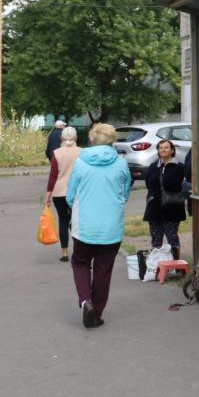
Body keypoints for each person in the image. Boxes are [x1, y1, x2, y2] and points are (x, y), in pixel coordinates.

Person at [65, 123, 132, 329]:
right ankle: (97, 312)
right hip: (111, 227)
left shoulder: (80, 163)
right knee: (103, 270)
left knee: (80, 263)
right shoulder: (121, 163)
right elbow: (126, 193)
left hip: (84, 226)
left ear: (91, 140)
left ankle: (86, 301)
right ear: (112, 141)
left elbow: (70, 196)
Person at [143, 139, 186, 261]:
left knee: (172, 236)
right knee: (156, 238)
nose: (163, 150)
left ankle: (176, 265)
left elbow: (183, 185)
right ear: (158, 150)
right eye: (161, 148)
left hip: (172, 206)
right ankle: (156, 265)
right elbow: (148, 183)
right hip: (154, 207)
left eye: (166, 147)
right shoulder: (153, 166)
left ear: (172, 150)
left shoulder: (179, 167)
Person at [44, 126, 81, 262]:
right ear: (76, 138)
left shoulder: (57, 153)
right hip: (76, 191)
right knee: (75, 221)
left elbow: (53, 176)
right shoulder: (82, 152)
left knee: (63, 221)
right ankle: (77, 251)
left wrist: (48, 196)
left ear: (61, 138)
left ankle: (64, 253)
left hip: (59, 192)